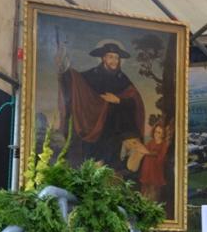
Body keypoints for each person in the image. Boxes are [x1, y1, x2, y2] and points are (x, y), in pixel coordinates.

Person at [57, 40, 146, 170]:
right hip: (94, 127)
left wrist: (118, 100)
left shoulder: (122, 79)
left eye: (116, 58)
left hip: (114, 129)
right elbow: (76, 84)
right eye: (110, 57)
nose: (114, 61)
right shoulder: (91, 75)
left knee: (112, 164)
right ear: (103, 58)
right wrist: (65, 71)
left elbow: (135, 100)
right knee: (93, 163)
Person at [139, 123, 171, 201]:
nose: (156, 134)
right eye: (155, 131)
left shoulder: (164, 145)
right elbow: (144, 150)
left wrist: (152, 154)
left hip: (155, 171)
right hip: (147, 169)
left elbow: (162, 158)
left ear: (163, 135)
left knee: (154, 191)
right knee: (145, 190)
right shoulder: (151, 142)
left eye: (159, 132)